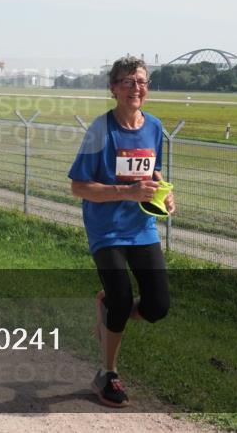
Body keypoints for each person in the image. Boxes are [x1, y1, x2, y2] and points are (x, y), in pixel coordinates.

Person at [68, 56, 175, 408]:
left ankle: (110, 306)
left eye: (141, 81)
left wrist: (164, 194)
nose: (135, 88)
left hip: (142, 227)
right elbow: (79, 187)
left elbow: (153, 172)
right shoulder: (101, 130)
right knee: (121, 296)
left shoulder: (154, 126)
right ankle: (107, 373)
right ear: (113, 88)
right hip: (107, 230)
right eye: (127, 82)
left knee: (158, 306)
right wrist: (127, 192)